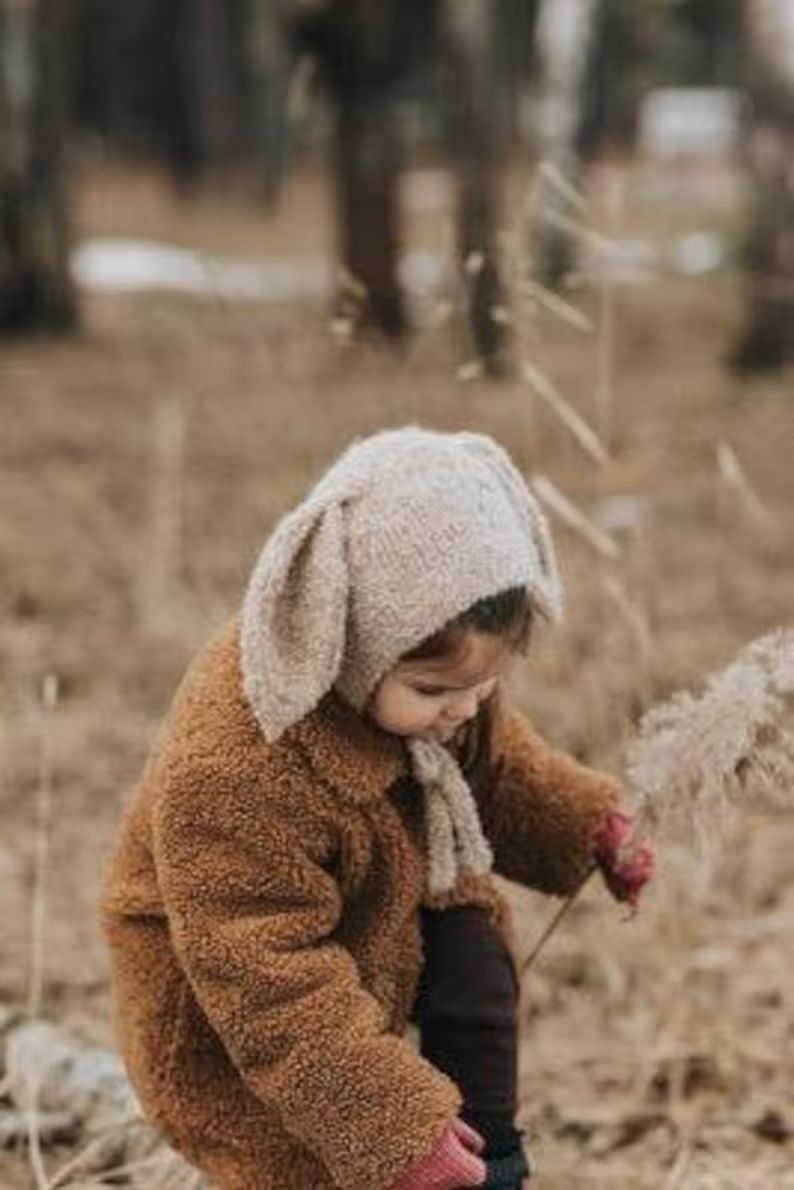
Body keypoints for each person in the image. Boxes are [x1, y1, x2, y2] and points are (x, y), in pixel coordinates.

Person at [102, 427, 653, 1190]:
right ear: (352, 640)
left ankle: (489, 1166)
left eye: (484, 685)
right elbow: (267, 977)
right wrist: (388, 1124)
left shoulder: (437, 685)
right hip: (227, 991)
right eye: (434, 691)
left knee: (475, 969)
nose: (464, 709)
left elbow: (497, 763)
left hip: (376, 896)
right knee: (310, 1157)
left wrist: (588, 826)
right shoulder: (234, 761)